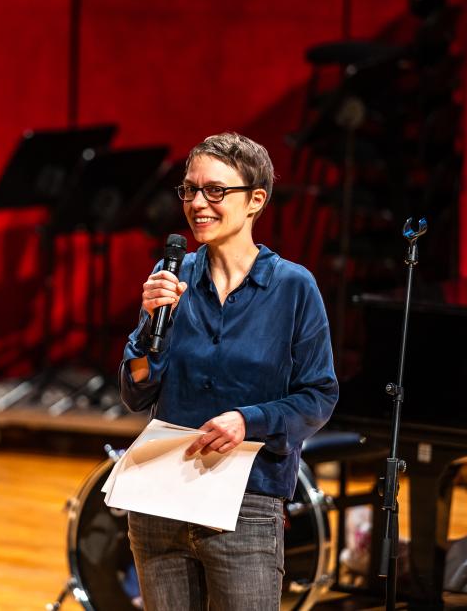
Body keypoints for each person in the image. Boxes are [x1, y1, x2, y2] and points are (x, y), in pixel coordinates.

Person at [119, 132, 338, 610]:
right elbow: (137, 389)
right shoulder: (172, 278)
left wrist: (248, 420)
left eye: (215, 191)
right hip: (161, 500)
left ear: (255, 199)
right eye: (190, 190)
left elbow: (319, 395)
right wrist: (145, 330)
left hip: (245, 504)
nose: (198, 203)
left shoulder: (293, 288)